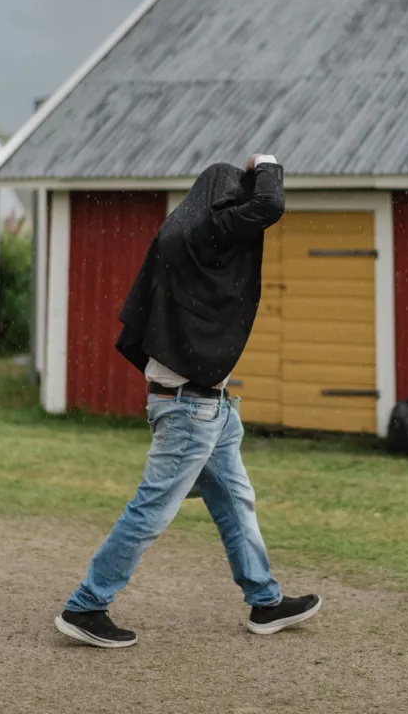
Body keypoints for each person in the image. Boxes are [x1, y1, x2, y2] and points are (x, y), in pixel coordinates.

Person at [55, 154, 321, 649]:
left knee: (235, 500)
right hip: (188, 406)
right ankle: (87, 605)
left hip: (206, 404)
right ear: (222, 197)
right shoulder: (204, 235)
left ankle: (264, 601)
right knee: (151, 509)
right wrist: (266, 162)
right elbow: (269, 204)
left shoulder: (184, 235)